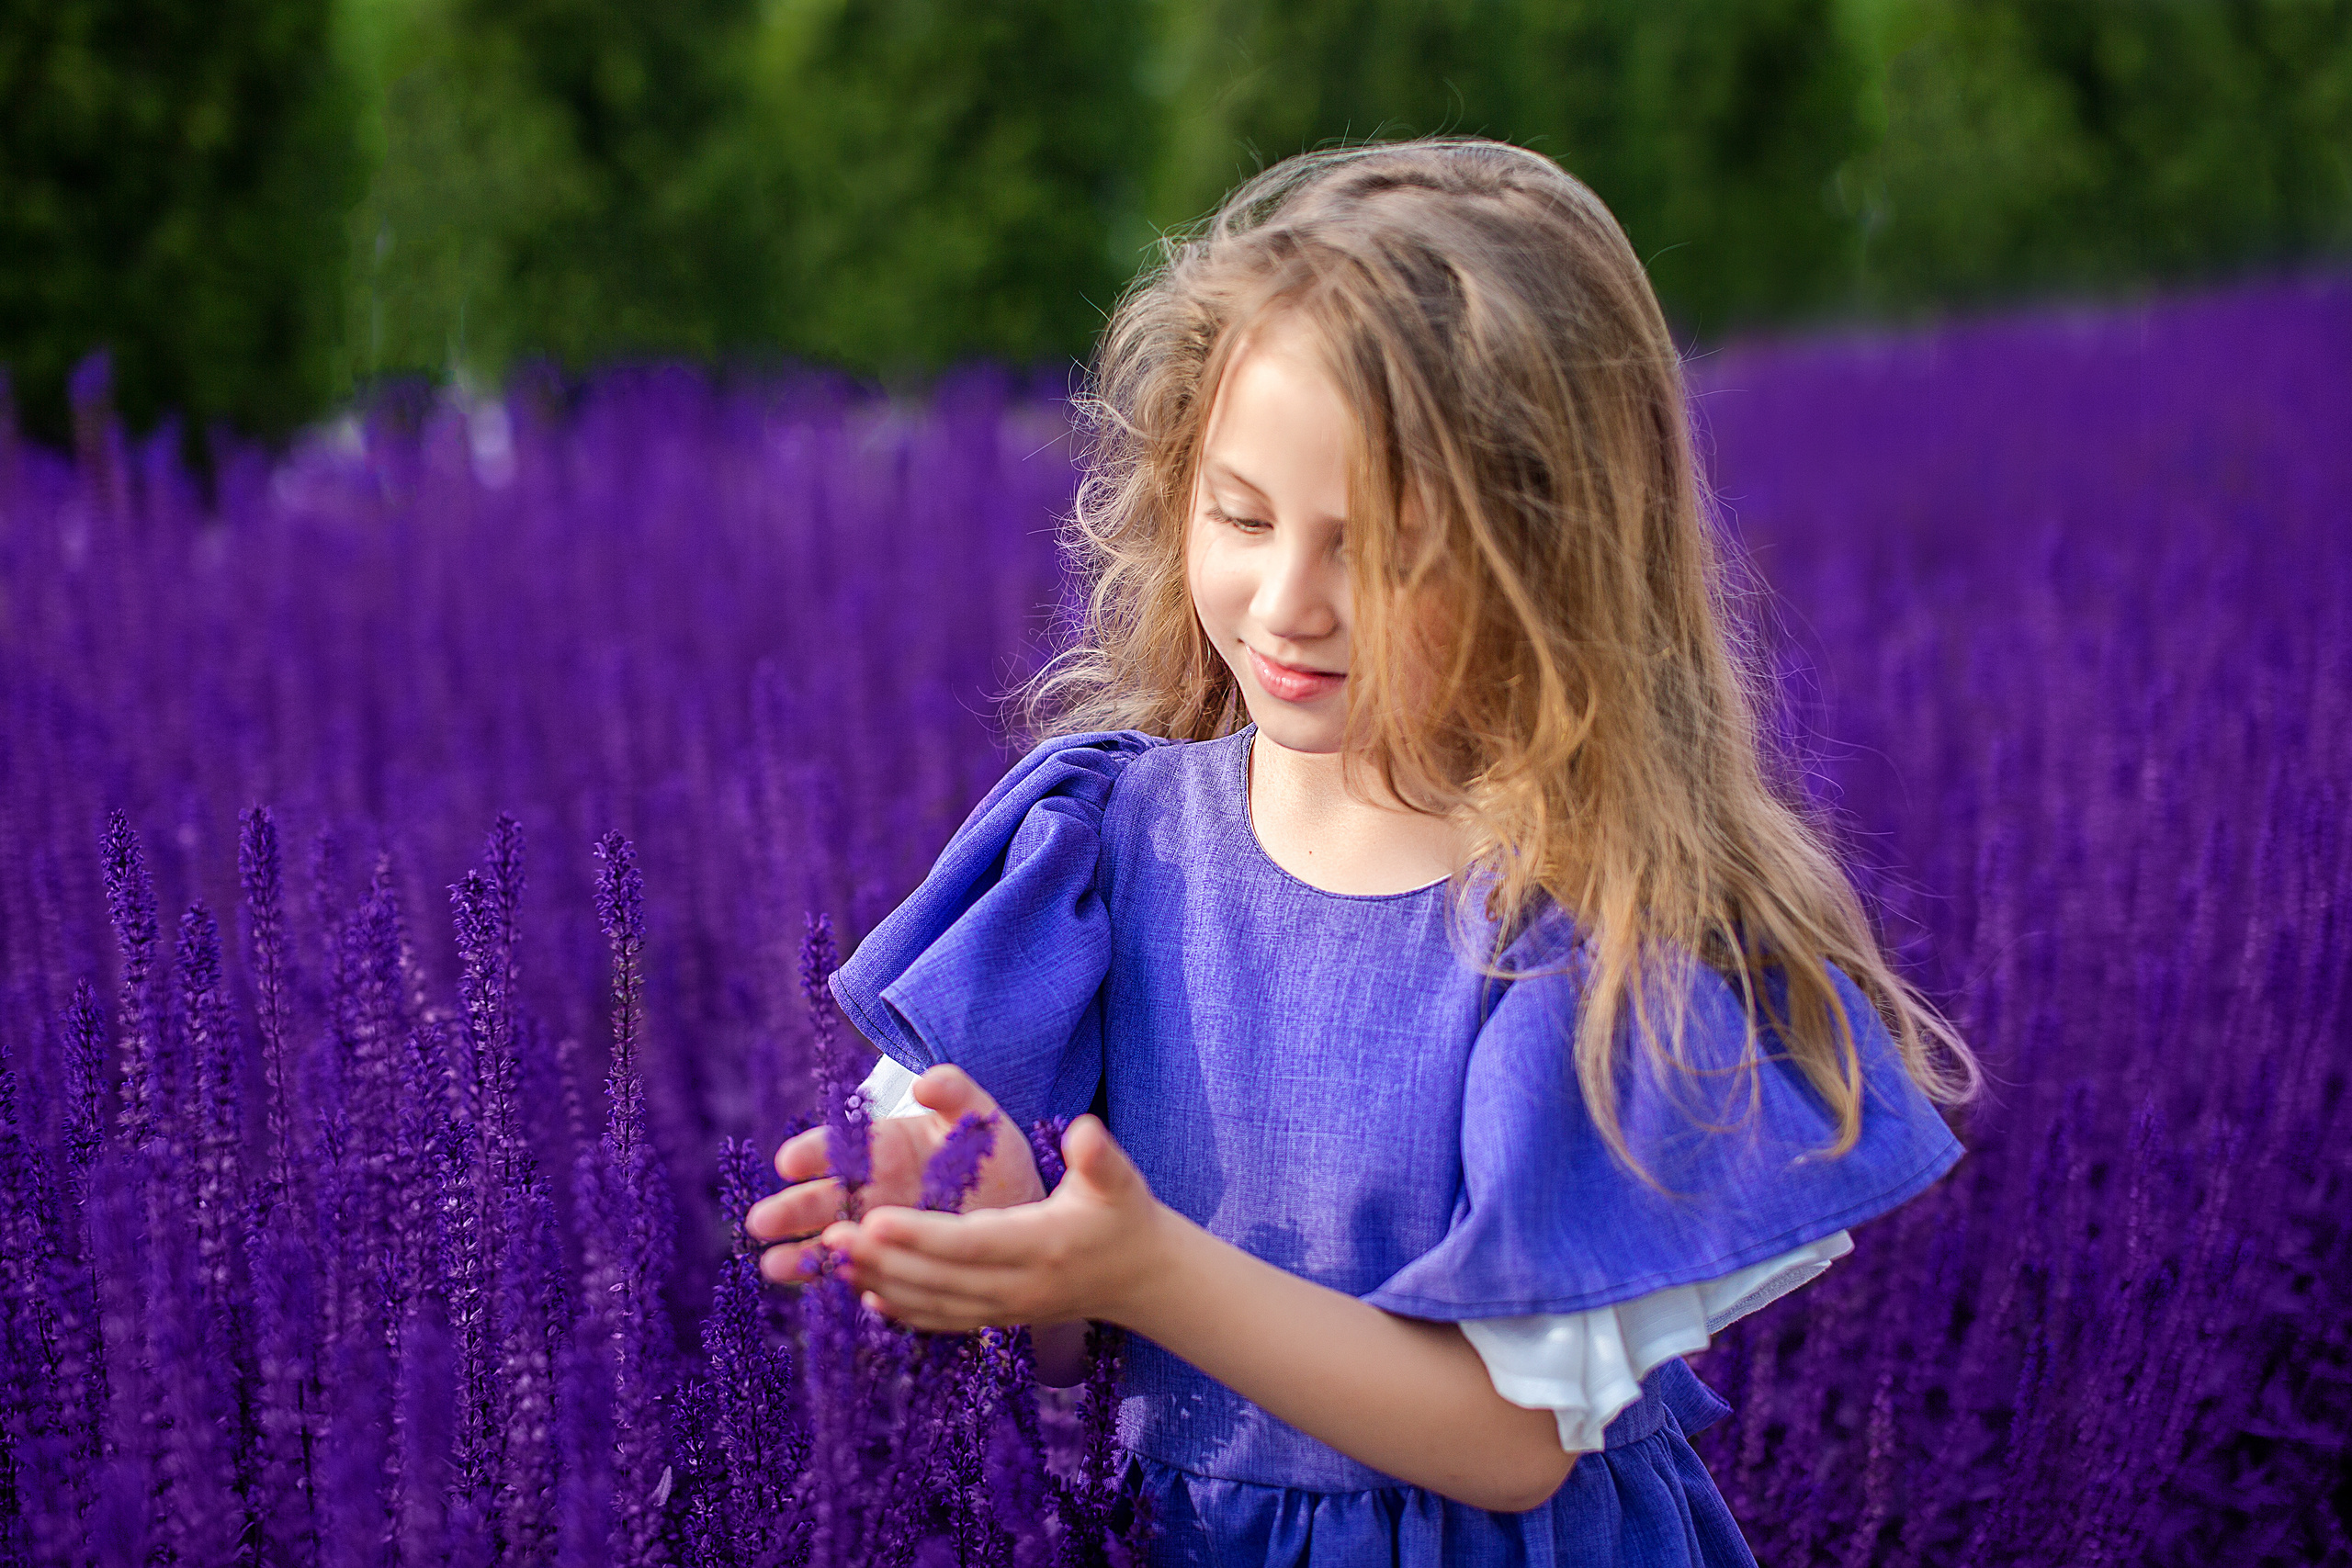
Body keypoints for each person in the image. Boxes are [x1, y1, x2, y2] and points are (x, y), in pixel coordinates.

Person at [744, 137, 1979, 1566]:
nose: (1289, 601)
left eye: (1379, 548)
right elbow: (1080, 1345)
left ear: (1551, 563)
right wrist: (1007, 1231)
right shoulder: (1112, 843)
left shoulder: (1581, 928)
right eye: (1241, 515)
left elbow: (1509, 1444)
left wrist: (1144, 1268)